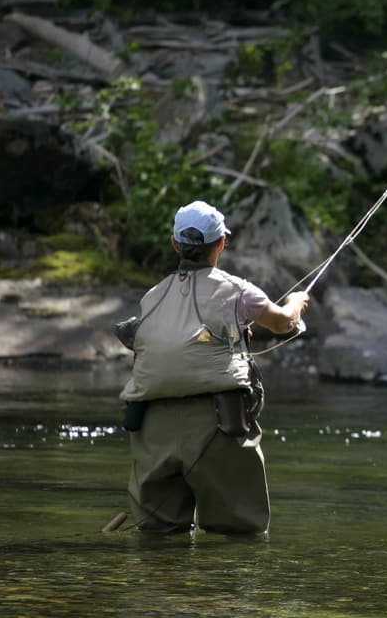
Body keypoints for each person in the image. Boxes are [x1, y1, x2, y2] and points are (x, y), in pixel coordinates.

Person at [118, 200, 308, 534]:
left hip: (151, 430)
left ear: (175, 243)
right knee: (238, 537)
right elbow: (282, 323)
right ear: (220, 243)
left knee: (157, 539)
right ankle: (220, 587)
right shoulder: (238, 291)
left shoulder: (152, 297)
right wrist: (298, 302)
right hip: (218, 425)